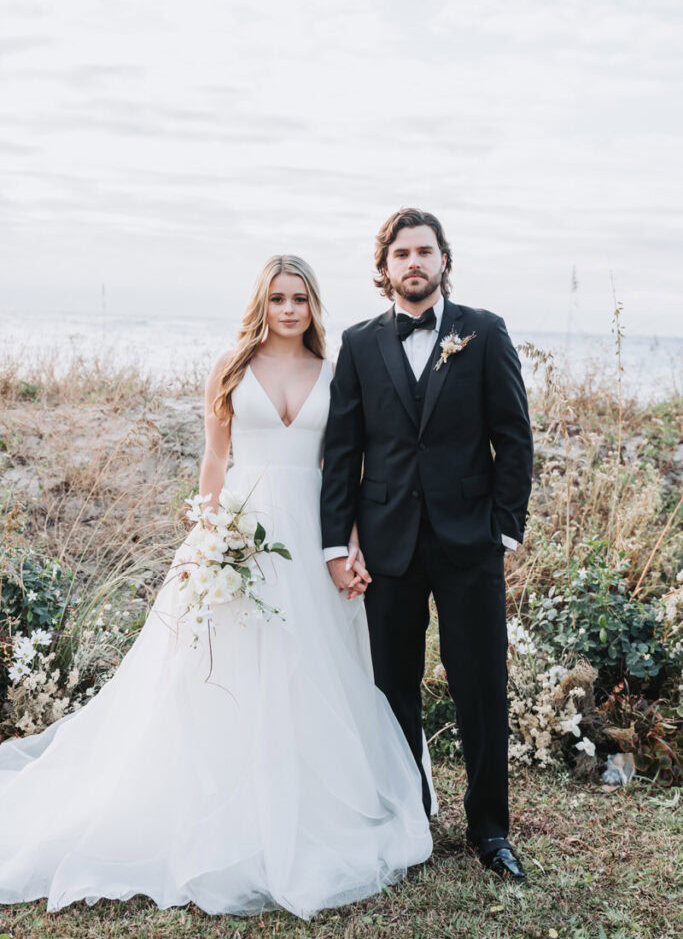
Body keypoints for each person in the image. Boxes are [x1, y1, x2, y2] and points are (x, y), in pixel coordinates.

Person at [0, 256, 434, 919]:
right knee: (219, 668)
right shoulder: (231, 366)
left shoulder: (334, 373)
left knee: (313, 664)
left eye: (300, 298)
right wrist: (205, 535)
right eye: (278, 298)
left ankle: (309, 798)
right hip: (241, 526)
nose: (289, 309)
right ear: (262, 302)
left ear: (314, 306)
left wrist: (347, 541)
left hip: (310, 531)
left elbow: (345, 464)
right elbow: (214, 457)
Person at [321, 208, 534, 882]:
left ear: (443, 260)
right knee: (393, 691)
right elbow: (342, 452)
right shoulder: (357, 344)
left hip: (469, 541)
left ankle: (489, 831)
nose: (413, 263)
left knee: (479, 687)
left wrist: (502, 525)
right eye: (400, 254)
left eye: (424, 251)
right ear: (383, 269)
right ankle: (408, 819)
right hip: (387, 545)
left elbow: (514, 437)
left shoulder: (483, 332)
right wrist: (335, 543)